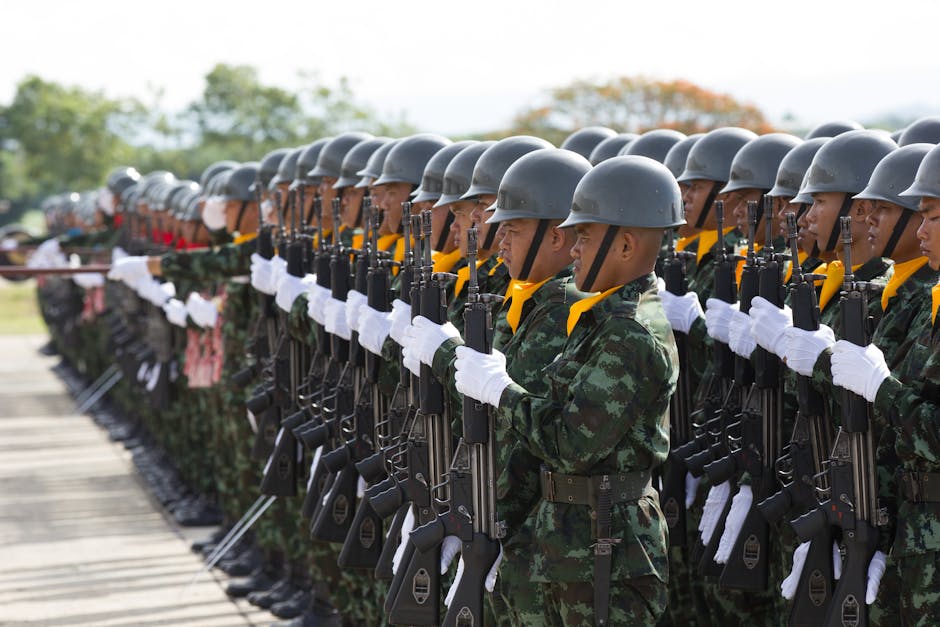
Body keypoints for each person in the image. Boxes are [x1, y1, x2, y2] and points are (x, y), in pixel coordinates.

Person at [454, 155, 682, 625]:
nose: (573, 249)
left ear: (624, 244)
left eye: (584, 236)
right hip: (571, 538)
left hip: (606, 548)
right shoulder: (602, 319)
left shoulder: (630, 333)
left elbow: (569, 443)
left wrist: (501, 391)